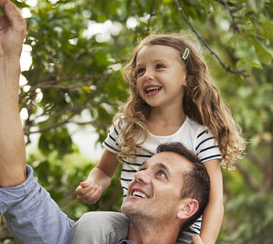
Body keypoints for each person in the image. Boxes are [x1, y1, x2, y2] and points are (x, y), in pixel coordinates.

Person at [0, 0, 209, 243]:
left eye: (161, 174)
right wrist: (6, 60)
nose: (139, 175)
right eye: (142, 167)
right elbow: (14, 188)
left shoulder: (200, 135)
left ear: (186, 208)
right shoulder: (78, 237)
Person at [75, 28, 245, 244]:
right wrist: (94, 184)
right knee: (92, 224)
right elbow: (103, 171)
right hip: (132, 224)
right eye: (140, 71)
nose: (147, 76)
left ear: (186, 76)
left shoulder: (201, 136)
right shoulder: (126, 127)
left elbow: (215, 200)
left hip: (182, 233)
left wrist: (206, 241)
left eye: (160, 66)